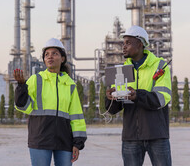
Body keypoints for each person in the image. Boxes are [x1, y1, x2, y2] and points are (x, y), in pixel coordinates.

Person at [105, 25, 172, 166]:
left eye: (128, 43)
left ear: (140, 44)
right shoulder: (122, 70)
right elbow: (112, 110)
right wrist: (110, 99)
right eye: (123, 43)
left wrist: (137, 96)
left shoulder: (160, 66)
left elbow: (162, 98)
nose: (124, 47)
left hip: (156, 135)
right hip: (131, 136)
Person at [14, 38, 87, 166]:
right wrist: (21, 87)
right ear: (43, 59)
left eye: (54, 53)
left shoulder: (69, 84)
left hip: (64, 140)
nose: (50, 57)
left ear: (62, 58)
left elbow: (76, 116)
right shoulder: (35, 80)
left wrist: (78, 142)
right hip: (40, 139)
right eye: (47, 54)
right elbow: (23, 107)